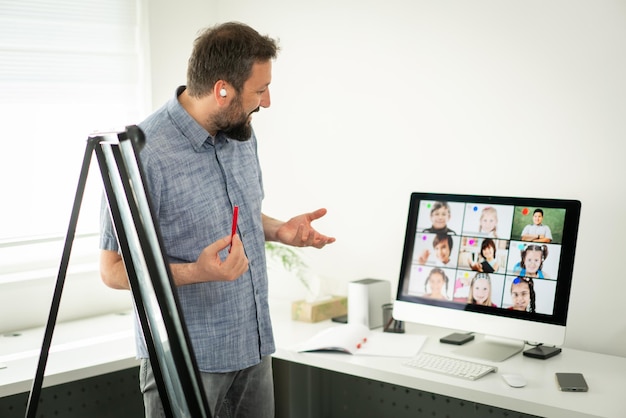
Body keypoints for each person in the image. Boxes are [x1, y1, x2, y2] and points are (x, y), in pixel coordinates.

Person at [99, 22, 335, 418]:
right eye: (260, 90)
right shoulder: (141, 153)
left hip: (253, 348)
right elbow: (112, 270)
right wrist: (196, 271)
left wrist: (280, 230)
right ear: (223, 90)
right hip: (189, 363)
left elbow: (234, 217)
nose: (268, 101)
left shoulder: (241, 132)